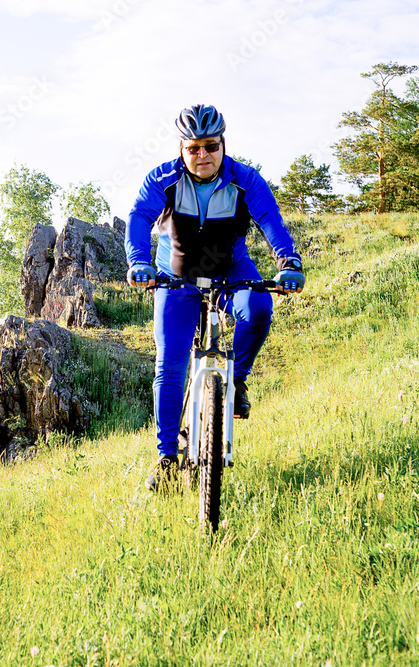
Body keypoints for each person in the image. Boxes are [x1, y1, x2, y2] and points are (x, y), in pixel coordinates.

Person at [124, 104, 305, 492]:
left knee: (258, 307)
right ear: (181, 148)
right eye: (194, 148)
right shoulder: (163, 180)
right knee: (170, 366)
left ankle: (236, 381)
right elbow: (140, 217)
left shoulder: (245, 179)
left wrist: (288, 261)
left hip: (229, 270)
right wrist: (139, 261)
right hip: (176, 278)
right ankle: (167, 457)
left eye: (211, 146)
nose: (203, 155)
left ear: (223, 144)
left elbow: (270, 218)